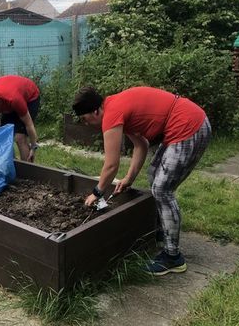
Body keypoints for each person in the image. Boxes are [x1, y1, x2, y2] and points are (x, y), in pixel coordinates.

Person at [72, 86, 211, 276]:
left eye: (85, 119)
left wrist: (97, 192)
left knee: (162, 189)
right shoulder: (115, 106)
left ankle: (173, 257)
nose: (86, 124)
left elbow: (111, 165)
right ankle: (164, 230)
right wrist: (129, 178)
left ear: (96, 110)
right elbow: (141, 144)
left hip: (188, 126)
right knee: (155, 175)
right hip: (185, 123)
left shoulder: (111, 114)